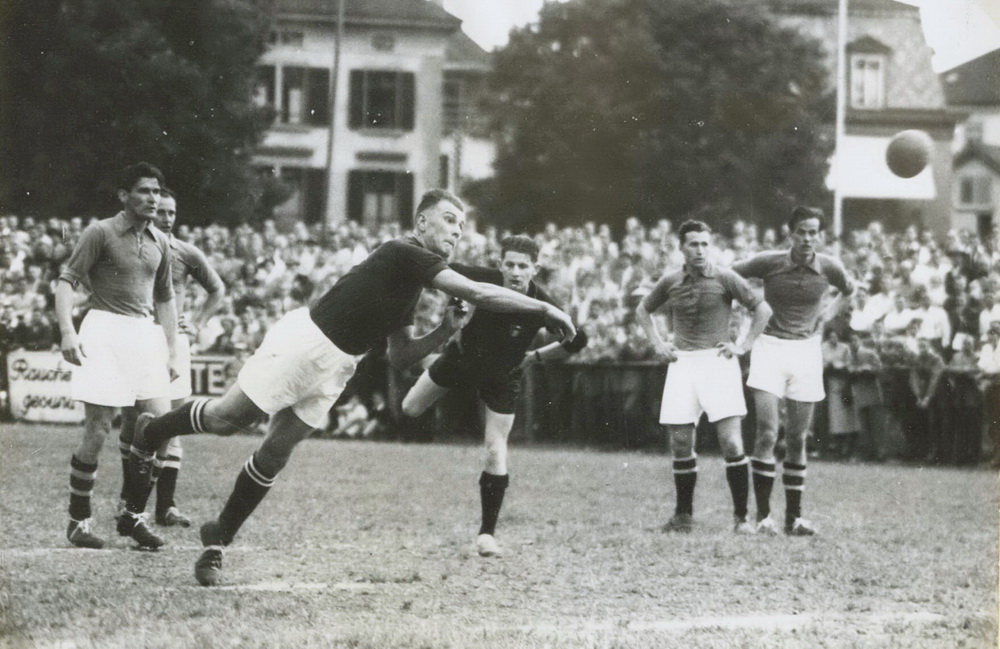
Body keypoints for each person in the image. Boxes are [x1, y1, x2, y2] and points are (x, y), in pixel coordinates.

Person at [124, 189, 576, 586]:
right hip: (307, 342)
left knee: (275, 453)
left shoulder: (413, 280)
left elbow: (399, 356)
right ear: (422, 222)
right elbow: (478, 292)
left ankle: (218, 536)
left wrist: (444, 332)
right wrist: (545, 309)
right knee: (228, 419)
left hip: (341, 364)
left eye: (461, 225)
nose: (457, 231)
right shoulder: (406, 251)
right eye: (449, 220)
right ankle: (152, 430)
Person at [399, 234, 588, 557]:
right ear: (500, 264)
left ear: (535, 268)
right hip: (461, 359)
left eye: (522, 266)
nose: (515, 272)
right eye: (510, 265)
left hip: (503, 375)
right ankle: (433, 364)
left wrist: (535, 357)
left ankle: (487, 534)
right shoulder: (482, 278)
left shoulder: (542, 303)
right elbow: (433, 268)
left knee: (495, 449)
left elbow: (577, 340)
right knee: (410, 408)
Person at [54, 162, 179, 550]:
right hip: (105, 330)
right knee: (97, 430)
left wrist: (172, 351)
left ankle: (131, 514)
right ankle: (78, 520)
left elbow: (165, 298)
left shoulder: (160, 241)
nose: (153, 198)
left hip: (144, 336)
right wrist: (67, 331)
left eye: (157, 192)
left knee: (162, 428)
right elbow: (66, 280)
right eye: (144, 191)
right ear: (124, 195)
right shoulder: (100, 232)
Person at [635, 220, 771, 534]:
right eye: (693, 244)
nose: (700, 250)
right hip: (682, 364)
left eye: (704, 244)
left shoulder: (725, 277)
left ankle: (741, 519)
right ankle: (683, 517)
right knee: (681, 443)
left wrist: (743, 345)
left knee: (732, 443)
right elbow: (642, 310)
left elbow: (761, 309)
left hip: (718, 362)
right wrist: (658, 344)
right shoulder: (670, 280)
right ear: (681, 248)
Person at [733, 206, 853, 536]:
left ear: (821, 235)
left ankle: (795, 518)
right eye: (802, 231)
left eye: (814, 232)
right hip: (769, 347)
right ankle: (764, 517)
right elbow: (730, 275)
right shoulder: (769, 261)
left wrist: (827, 315)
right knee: (768, 433)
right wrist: (753, 307)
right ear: (791, 234)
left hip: (806, 351)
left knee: (798, 437)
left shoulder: (829, 266)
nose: (808, 238)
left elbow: (849, 290)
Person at [117, 188, 226, 527]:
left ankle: (165, 506)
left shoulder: (185, 251)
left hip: (173, 340)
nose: (165, 218)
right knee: (132, 419)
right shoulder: (132, 246)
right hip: (138, 334)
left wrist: (197, 323)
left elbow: (217, 289)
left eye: (171, 213)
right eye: (161, 211)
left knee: (172, 423)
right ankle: (128, 500)